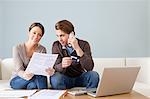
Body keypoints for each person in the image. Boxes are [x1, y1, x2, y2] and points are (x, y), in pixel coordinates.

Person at [50, 20, 99, 89]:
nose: (59, 39)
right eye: (57, 36)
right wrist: (62, 65)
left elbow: (89, 67)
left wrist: (77, 48)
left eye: (62, 35)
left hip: (80, 77)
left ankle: (89, 95)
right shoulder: (56, 45)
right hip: (64, 78)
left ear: (71, 34)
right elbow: (55, 67)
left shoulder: (84, 44)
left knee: (94, 75)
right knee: (55, 78)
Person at [10, 22, 55, 89]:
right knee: (35, 79)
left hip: (35, 76)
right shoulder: (17, 48)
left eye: (39, 35)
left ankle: (36, 89)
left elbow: (41, 69)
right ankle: (42, 91)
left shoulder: (42, 49)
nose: (36, 36)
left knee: (36, 80)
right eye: (34, 33)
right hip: (19, 79)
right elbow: (19, 70)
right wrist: (25, 75)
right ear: (29, 33)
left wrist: (49, 71)